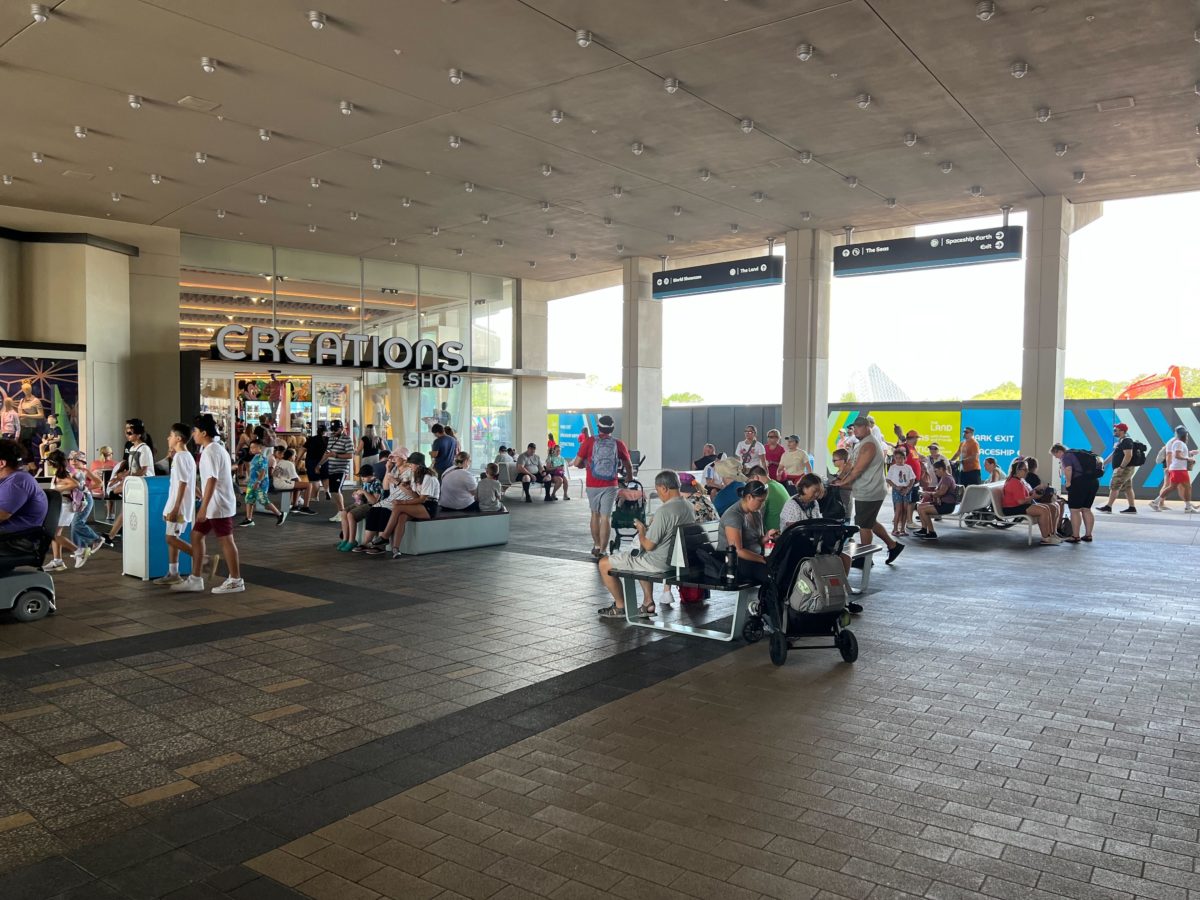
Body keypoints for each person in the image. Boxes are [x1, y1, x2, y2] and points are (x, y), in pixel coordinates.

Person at [597, 470, 696, 619]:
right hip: (677, 561)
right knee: (640, 556)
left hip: (660, 563)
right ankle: (648, 603)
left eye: (658, 490)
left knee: (604, 563)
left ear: (664, 488)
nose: (659, 494)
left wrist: (642, 530)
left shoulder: (665, 511)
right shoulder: (688, 506)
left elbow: (649, 545)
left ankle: (620, 606)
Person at [172, 414, 243, 594]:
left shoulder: (211, 451)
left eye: (195, 431)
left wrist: (203, 507)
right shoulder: (215, 449)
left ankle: (236, 580)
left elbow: (212, 480)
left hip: (217, 505)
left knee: (226, 540)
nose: (193, 434)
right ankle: (196, 579)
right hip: (215, 504)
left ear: (204, 433)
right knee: (196, 536)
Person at [832, 417, 902, 564]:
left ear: (867, 427)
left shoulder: (869, 444)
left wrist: (843, 482)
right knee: (870, 521)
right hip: (866, 489)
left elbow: (858, 469)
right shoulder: (861, 444)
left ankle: (865, 558)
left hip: (870, 490)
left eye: (859, 427)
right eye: (854, 427)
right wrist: (840, 477)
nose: (855, 430)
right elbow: (850, 464)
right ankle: (893, 545)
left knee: (864, 525)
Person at [574, 414, 632, 559]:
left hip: (592, 483)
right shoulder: (618, 444)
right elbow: (628, 464)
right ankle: (603, 551)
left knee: (595, 514)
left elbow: (576, 463)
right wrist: (629, 477)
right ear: (612, 428)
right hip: (610, 484)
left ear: (598, 427)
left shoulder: (589, 441)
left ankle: (597, 545)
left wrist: (584, 465)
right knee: (606, 517)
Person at [155, 423, 197, 585]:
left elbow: (183, 483)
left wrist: (176, 508)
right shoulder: (185, 456)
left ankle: (203, 558)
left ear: (178, 439)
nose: (168, 438)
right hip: (176, 504)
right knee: (173, 537)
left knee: (170, 538)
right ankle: (173, 573)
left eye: (171, 435)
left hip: (177, 506)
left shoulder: (180, 457)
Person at [106, 418, 156, 544]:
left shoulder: (144, 449)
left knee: (132, 509)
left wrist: (126, 480)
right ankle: (111, 536)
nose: (126, 434)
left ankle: (114, 536)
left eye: (129, 432)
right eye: (126, 431)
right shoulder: (133, 448)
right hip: (135, 484)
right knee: (126, 509)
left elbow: (144, 470)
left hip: (143, 485)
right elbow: (133, 468)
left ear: (138, 434)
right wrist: (121, 477)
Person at [382, 452, 440, 559]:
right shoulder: (415, 476)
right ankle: (396, 548)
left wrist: (402, 502)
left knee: (398, 507)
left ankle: (385, 536)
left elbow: (422, 499)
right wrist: (405, 487)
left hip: (429, 506)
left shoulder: (428, 477)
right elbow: (415, 496)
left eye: (411, 464)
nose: (409, 466)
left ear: (418, 465)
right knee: (401, 517)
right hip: (420, 504)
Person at [0, 438, 48, 558]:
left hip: (15, 540)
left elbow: (2, 515)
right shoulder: (8, 480)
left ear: (1, 463)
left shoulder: (17, 481)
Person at [717, 480, 770, 585]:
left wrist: (767, 537)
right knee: (771, 574)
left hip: (753, 557)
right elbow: (738, 550)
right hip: (733, 561)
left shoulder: (756, 512)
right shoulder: (733, 516)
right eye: (760, 501)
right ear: (749, 497)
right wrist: (763, 559)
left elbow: (757, 540)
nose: (762, 504)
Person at [1000, 458, 1061, 545]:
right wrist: (1033, 497)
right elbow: (1021, 501)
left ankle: (1052, 534)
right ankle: (1046, 538)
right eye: (1024, 470)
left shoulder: (1021, 480)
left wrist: (1036, 489)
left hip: (1020, 505)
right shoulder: (1014, 482)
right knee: (1043, 510)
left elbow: (1027, 493)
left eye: (1027, 469)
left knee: (1052, 507)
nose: (1027, 471)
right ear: (1017, 470)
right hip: (1012, 508)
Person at [42, 450, 82, 572]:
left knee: (51, 534)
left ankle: (79, 551)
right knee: (56, 534)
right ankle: (57, 561)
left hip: (64, 507)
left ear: (53, 462)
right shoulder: (60, 473)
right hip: (61, 506)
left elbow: (75, 484)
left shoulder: (62, 475)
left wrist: (59, 490)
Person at [1051, 443, 1099, 542]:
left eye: (1055, 455)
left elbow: (1068, 469)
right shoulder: (1077, 453)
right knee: (1086, 509)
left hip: (1079, 483)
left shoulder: (1066, 456)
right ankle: (1088, 535)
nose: (1056, 457)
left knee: (1075, 510)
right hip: (1093, 482)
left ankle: (1075, 536)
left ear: (1059, 451)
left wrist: (1068, 482)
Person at [66, 450, 104, 566]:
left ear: (82, 461)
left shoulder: (85, 471)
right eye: (71, 459)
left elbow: (99, 483)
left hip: (85, 500)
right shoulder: (70, 471)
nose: (73, 462)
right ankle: (80, 550)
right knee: (74, 526)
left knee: (77, 523)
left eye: (76, 460)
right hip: (75, 500)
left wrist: (87, 488)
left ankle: (96, 539)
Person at [238, 438, 284, 527]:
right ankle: (249, 519)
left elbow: (263, 471)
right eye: (251, 447)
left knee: (263, 500)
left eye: (254, 447)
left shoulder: (262, 458)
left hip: (260, 484)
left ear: (260, 448)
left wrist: (258, 482)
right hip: (252, 483)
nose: (252, 449)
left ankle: (279, 514)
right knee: (249, 499)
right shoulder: (255, 457)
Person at [1150, 425, 1197, 512]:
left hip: (1178, 469)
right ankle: (1188, 507)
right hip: (1179, 469)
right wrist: (1188, 459)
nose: (1187, 436)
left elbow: (1177, 454)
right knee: (1187, 487)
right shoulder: (1179, 443)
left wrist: (1189, 454)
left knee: (1172, 487)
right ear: (1183, 435)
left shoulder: (1178, 443)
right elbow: (1177, 455)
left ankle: (1155, 502)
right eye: (1186, 434)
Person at [337, 464, 383, 551]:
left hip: (372, 506)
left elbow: (374, 501)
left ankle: (352, 541)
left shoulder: (377, 483)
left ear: (372, 475)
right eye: (361, 476)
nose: (362, 478)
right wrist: (357, 495)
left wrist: (364, 492)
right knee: (343, 512)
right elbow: (362, 497)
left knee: (351, 514)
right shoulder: (365, 482)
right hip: (363, 503)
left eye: (364, 476)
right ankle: (345, 539)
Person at [913, 460, 959, 541]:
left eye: (936, 471)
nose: (935, 473)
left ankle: (932, 532)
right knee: (919, 506)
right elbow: (939, 492)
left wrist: (929, 494)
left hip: (946, 505)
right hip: (942, 503)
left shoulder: (947, 479)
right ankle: (924, 529)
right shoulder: (944, 477)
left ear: (941, 469)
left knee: (923, 509)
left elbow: (941, 493)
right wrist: (929, 493)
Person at [1098, 423, 1138, 514]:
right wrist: (1104, 463)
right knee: (1128, 487)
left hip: (1123, 469)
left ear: (1122, 431)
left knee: (1114, 486)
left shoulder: (1126, 441)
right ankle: (1132, 508)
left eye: (1116, 430)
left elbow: (1128, 455)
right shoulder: (1121, 441)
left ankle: (1108, 507)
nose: (1114, 432)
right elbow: (1114, 454)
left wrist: (1121, 467)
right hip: (1125, 469)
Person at [321, 420, 354, 520]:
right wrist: (319, 464)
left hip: (341, 468)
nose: (334, 431)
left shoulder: (347, 439)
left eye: (336, 429)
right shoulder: (331, 438)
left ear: (342, 428)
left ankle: (342, 513)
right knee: (333, 491)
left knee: (335, 490)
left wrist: (336, 455)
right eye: (332, 429)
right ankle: (340, 512)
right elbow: (327, 453)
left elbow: (350, 455)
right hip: (331, 468)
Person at [748, 465, 790, 534]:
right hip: (786, 529)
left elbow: (756, 516)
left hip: (774, 533)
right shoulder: (778, 484)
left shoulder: (765, 490)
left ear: (756, 477)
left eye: (751, 483)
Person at [296, 423, 328, 515]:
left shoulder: (311, 439)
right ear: (325, 432)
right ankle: (326, 490)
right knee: (325, 477)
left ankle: (315, 496)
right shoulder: (328, 439)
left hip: (311, 461)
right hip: (324, 461)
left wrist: (298, 460)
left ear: (317, 431)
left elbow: (303, 449)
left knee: (314, 479)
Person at [885, 447, 916, 538]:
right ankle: (895, 529)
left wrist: (908, 488)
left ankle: (903, 529)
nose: (898, 460)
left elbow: (912, 479)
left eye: (900, 458)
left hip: (906, 490)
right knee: (898, 510)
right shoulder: (893, 467)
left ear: (904, 458)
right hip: (897, 490)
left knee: (905, 510)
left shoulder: (908, 467)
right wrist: (896, 487)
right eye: (896, 458)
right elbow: (888, 479)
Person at [830, 448, 853, 522]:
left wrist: (838, 486)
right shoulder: (839, 472)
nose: (833, 462)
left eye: (834, 460)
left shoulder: (848, 472)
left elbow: (853, 487)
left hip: (845, 506)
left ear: (843, 461)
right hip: (838, 506)